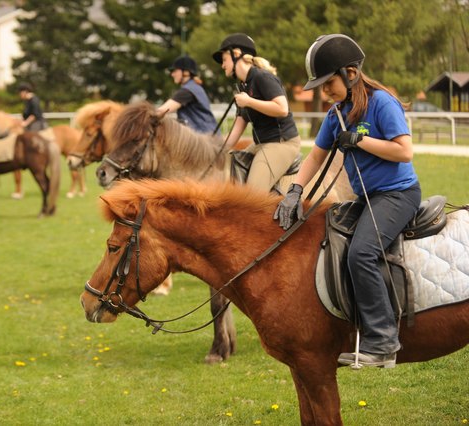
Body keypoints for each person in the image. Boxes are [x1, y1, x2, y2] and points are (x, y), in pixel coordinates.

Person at [274, 34, 421, 368]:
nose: (324, 92)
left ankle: (383, 340)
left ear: (351, 73)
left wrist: (360, 140)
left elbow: (404, 151)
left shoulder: (382, 102)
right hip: (366, 199)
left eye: (328, 84)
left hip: (398, 195)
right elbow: (314, 157)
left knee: (362, 253)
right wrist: (295, 190)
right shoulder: (335, 114)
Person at [212, 33, 301, 192]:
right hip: (260, 144)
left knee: (252, 195)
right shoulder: (243, 86)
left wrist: (249, 101)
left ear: (236, 54)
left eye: (224, 60)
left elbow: (282, 108)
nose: (222, 65)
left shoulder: (262, 76)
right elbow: (238, 125)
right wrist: (218, 150)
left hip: (281, 143)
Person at [157, 55, 217, 134]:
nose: (172, 74)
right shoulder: (195, 87)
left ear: (186, 72)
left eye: (175, 71)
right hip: (210, 136)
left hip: (203, 139)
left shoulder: (187, 91)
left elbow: (161, 111)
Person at [13, 83, 48, 199]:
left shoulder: (34, 99)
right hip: (31, 122)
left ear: (25, 91)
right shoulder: (27, 101)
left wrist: (25, 123)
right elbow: (26, 114)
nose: (20, 95)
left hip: (37, 123)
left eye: (20, 92)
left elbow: (34, 115)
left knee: (30, 138)